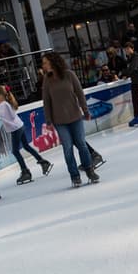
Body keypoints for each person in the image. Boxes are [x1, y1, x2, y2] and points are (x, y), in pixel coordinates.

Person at [39, 51, 100, 188]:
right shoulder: (47, 80)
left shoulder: (69, 75)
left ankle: (89, 170)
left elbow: (80, 93)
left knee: (82, 145)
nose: (43, 65)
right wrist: (48, 120)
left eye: (45, 62)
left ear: (53, 62)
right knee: (67, 148)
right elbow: (46, 101)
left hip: (75, 117)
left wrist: (85, 110)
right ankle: (74, 176)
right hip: (59, 121)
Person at [0, 84, 51, 185]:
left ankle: (25, 171)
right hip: (19, 126)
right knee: (26, 146)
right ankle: (43, 162)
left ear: (0, 96)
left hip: (15, 129)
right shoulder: (7, 103)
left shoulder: (3, 105)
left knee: (15, 151)